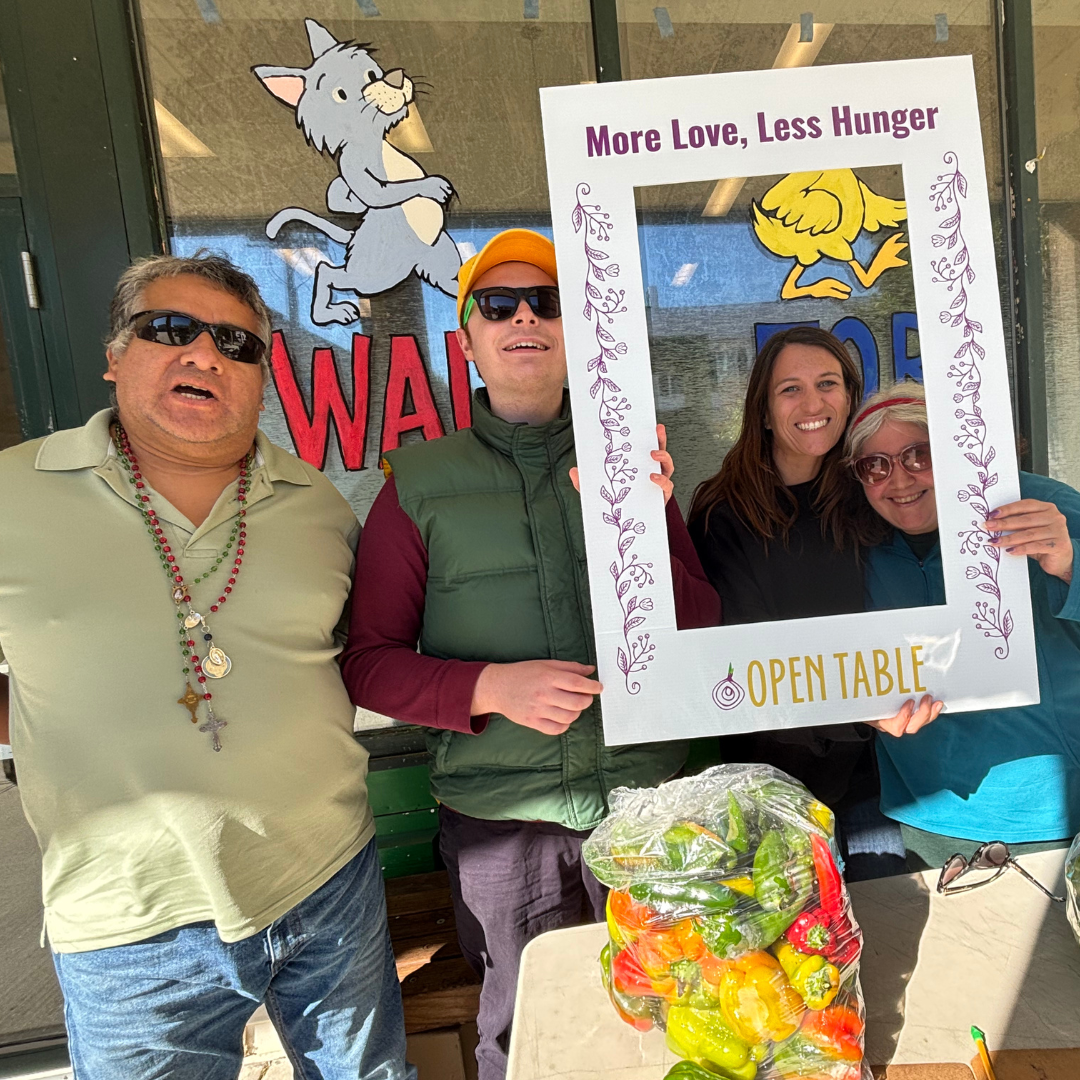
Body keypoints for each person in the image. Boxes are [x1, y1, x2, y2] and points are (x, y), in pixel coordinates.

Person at [0, 254, 414, 1080]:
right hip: (128, 919)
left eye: (236, 342)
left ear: (260, 378)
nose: (204, 355)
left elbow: (359, 657)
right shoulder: (13, 492)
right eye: (169, 329)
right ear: (116, 355)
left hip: (327, 876)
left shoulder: (320, 507)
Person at [340, 229, 721, 1080]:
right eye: (498, 304)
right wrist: (487, 686)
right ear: (468, 340)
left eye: (547, 303)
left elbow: (696, 629)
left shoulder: (631, 464)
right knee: (530, 1038)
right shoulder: (417, 483)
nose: (525, 317)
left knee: (681, 1026)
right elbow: (368, 663)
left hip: (646, 809)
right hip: (502, 829)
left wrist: (648, 525)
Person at [687, 327, 916, 878]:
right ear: (763, 412)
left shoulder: (872, 495)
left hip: (877, 772)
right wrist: (860, 706)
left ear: (849, 398)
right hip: (773, 787)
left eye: (828, 384)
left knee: (887, 926)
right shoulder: (724, 513)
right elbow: (746, 663)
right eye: (790, 389)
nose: (813, 404)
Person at [847, 383, 1080, 870]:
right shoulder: (858, 542)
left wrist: (1069, 562)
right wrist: (855, 700)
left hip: (1052, 814)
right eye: (876, 465)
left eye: (919, 454)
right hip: (924, 815)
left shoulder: (1038, 507)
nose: (900, 480)